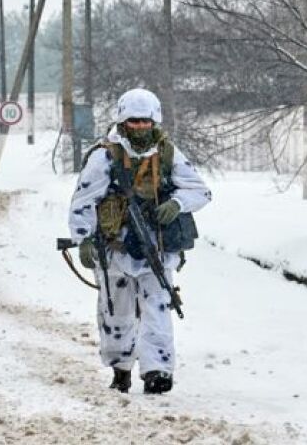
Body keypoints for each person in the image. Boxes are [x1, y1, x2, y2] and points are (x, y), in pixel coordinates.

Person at [70, 88, 211, 395]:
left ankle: (157, 370)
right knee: (115, 312)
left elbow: (199, 191)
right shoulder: (105, 155)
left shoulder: (167, 153)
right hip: (115, 248)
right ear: (123, 121)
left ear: (154, 121)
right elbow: (83, 200)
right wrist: (83, 239)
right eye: (133, 122)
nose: (140, 127)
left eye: (145, 122)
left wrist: (176, 204)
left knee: (158, 309)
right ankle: (121, 368)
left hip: (155, 249)